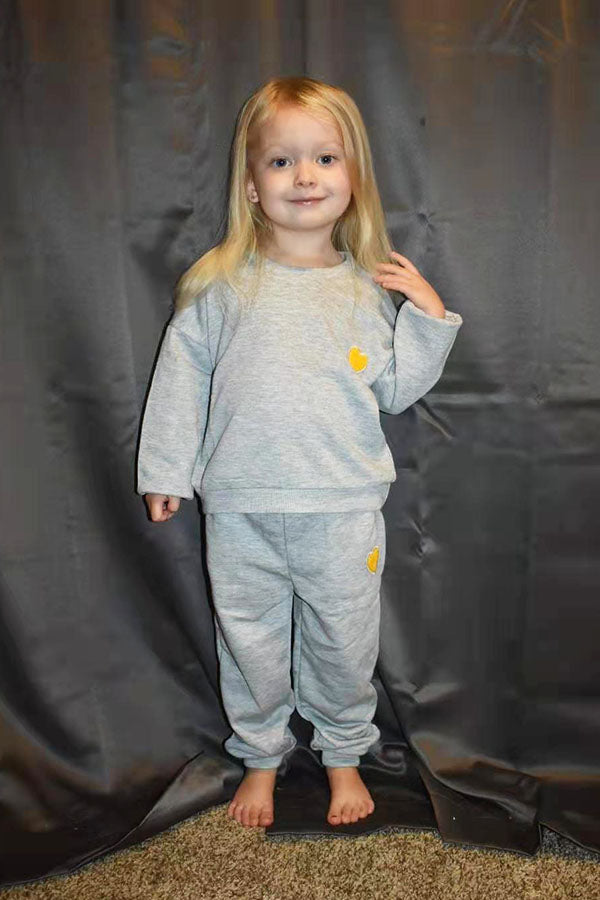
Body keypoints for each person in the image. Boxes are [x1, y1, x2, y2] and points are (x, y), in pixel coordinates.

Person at [136, 76, 463, 830]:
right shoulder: (220, 287)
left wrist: (429, 316)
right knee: (247, 640)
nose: (305, 176)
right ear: (252, 185)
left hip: (342, 510)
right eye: (281, 161)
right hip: (241, 508)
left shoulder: (365, 291)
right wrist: (165, 469)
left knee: (344, 643)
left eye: (324, 158)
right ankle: (260, 755)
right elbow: (180, 381)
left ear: (353, 178)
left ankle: (343, 752)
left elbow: (395, 391)